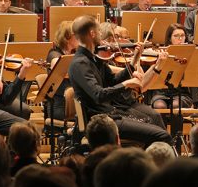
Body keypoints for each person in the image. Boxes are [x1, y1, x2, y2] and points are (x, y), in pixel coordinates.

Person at [68, 15, 172, 147]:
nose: (101, 34)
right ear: (92, 34)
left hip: (110, 114)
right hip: (100, 122)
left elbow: (113, 81)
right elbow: (98, 95)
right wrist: (126, 84)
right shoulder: (80, 63)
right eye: (99, 31)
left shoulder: (93, 59)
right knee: (162, 135)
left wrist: (133, 61)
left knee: (153, 120)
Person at [148, 23, 194, 110]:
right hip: (161, 92)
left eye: (182, 36)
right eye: (176, 36)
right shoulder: (162, 52)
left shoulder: (190, 54)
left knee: (175, 105)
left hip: (181, 93)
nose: (180, 39)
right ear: (169, 38)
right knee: (160, 106)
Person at [45, 20, 77, 121]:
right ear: (67, 37)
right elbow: (57, 65)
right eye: (77, 34)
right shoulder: (54, 53)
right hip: (60, 105)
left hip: (74, 102)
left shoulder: (75, 53)